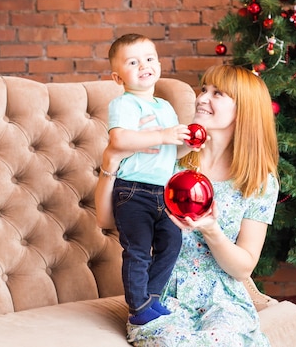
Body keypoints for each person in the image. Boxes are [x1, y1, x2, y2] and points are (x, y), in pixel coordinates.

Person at [95, 64, 280, 346]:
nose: (202, 98)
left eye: (217, 93)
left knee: (224, 339)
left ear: (243, 110)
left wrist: (212, 230)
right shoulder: (170, 159)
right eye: (204, 89)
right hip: (162, 292)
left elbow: (243, 268)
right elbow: (108, 220)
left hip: (223, 298)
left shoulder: (258, 181)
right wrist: (111, 160)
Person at [103, 33, 191, 325]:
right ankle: (138, 308)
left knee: (172, 240)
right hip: (133, 191)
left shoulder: (165, 107)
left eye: (149, 58)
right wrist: (164, 135)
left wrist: (188, 144)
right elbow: (120, 139)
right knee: (138, 249)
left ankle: (150, 297)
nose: (144, 65)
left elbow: (173, 151)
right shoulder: (124, 104)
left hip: (164, 191)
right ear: (118, 77)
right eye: (133, 62)